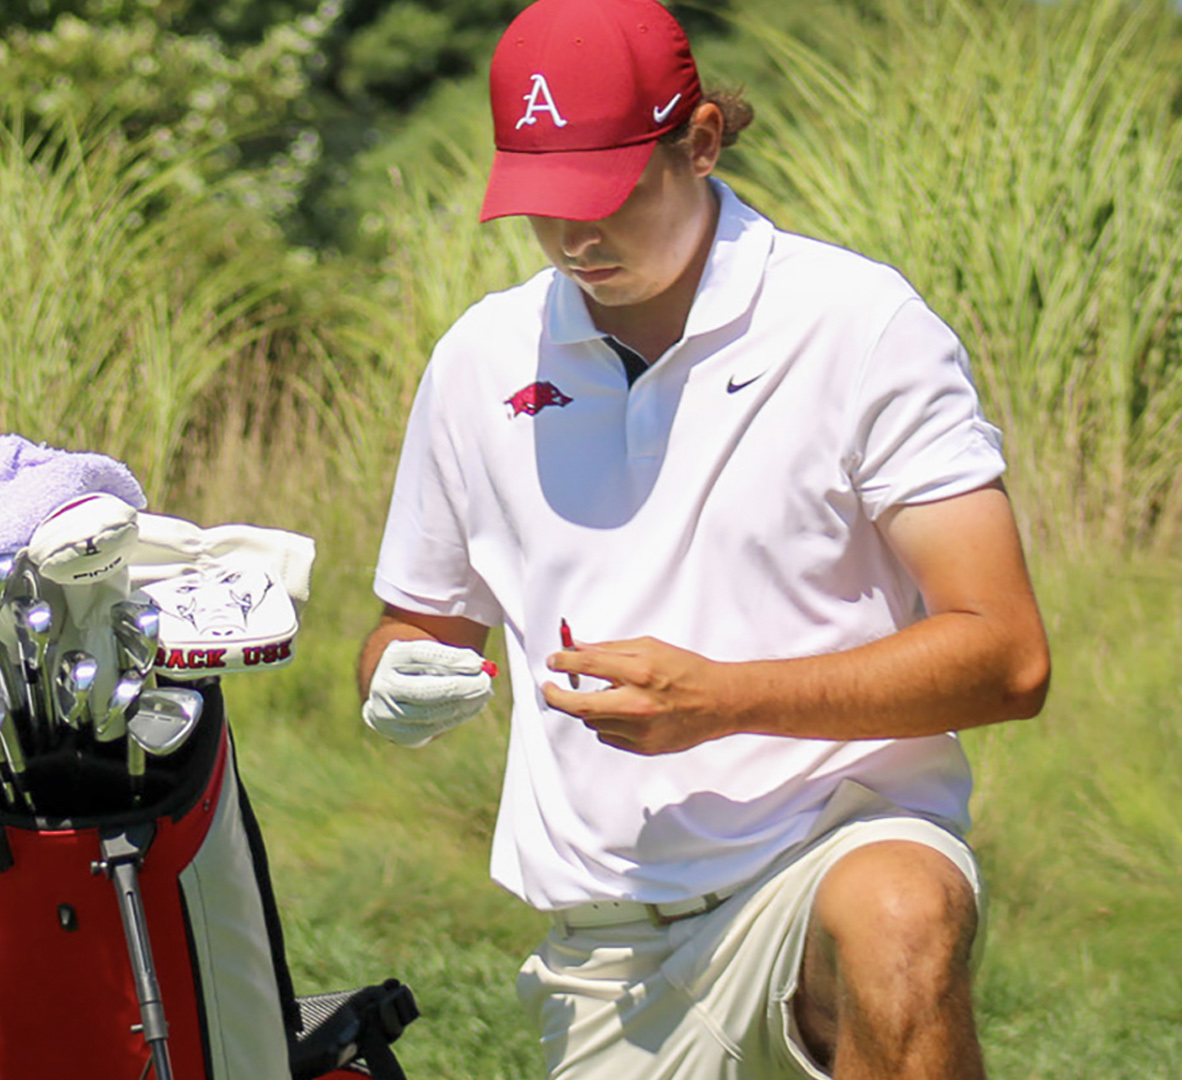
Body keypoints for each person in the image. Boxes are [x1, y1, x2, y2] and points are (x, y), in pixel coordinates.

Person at [357, 0, 1050, 1077]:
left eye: (610, 196)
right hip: (609, 947)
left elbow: (1005, 656)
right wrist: (403, 682)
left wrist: (720, 701)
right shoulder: (477, 357)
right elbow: (419, 621)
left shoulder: (859, 325)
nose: (578, 238)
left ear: (702, 142)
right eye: (545, 207)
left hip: (830, 850)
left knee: (902, 915)